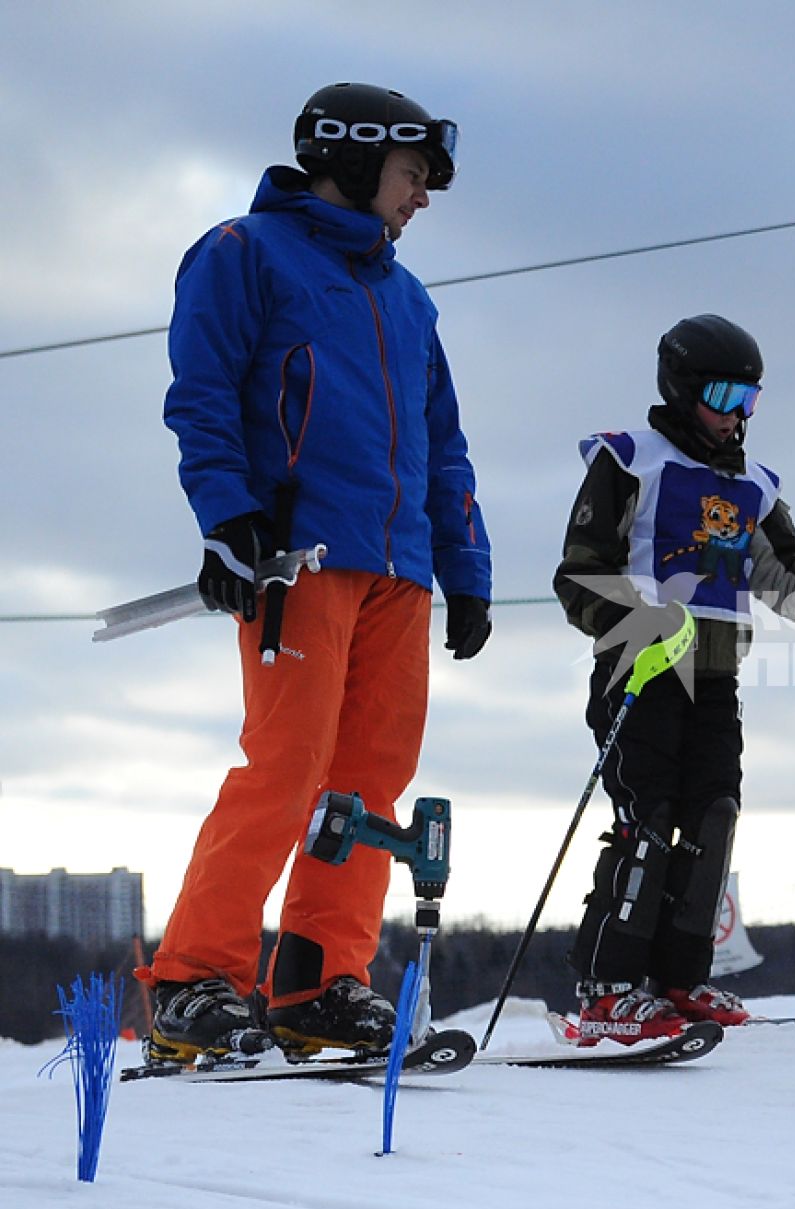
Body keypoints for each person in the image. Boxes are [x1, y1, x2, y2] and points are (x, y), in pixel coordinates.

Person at [140, 83, 491, 1062]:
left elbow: (443, 446)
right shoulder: (242, 254)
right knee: (288, 764)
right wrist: (228, 522)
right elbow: (201, 395)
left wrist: (465, 569)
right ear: (351, 155)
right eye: (414, 175)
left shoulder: (407, 298)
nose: (421, 197)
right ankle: (192, 976)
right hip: (298, 556)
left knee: (370, 780)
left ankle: (316, 978)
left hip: (400, 568)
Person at [552, 314, 795, 1046]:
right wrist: (641, 619)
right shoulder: (630, 462)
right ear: (683, 390)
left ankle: (679, 979)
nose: (738, 414)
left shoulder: (754, 485)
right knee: (647, 819)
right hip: (638, 674)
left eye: (751, 399)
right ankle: (607, 987)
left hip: (715, 680)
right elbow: (578, 574)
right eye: (724, 394)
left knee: (714, 816)